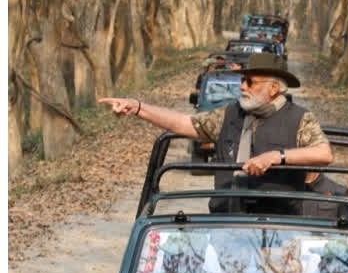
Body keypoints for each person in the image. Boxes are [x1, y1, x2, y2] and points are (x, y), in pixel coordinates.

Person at [99, 53, 332, 212]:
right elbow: (184, 124)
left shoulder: (299, 117)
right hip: (224, 224)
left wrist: (277, 157)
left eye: (250, 82)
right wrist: (138, 107)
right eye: (242, 80)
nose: (242, 86)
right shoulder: (229, 114)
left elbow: (324, 153)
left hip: (280, 229)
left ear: (273, 88)